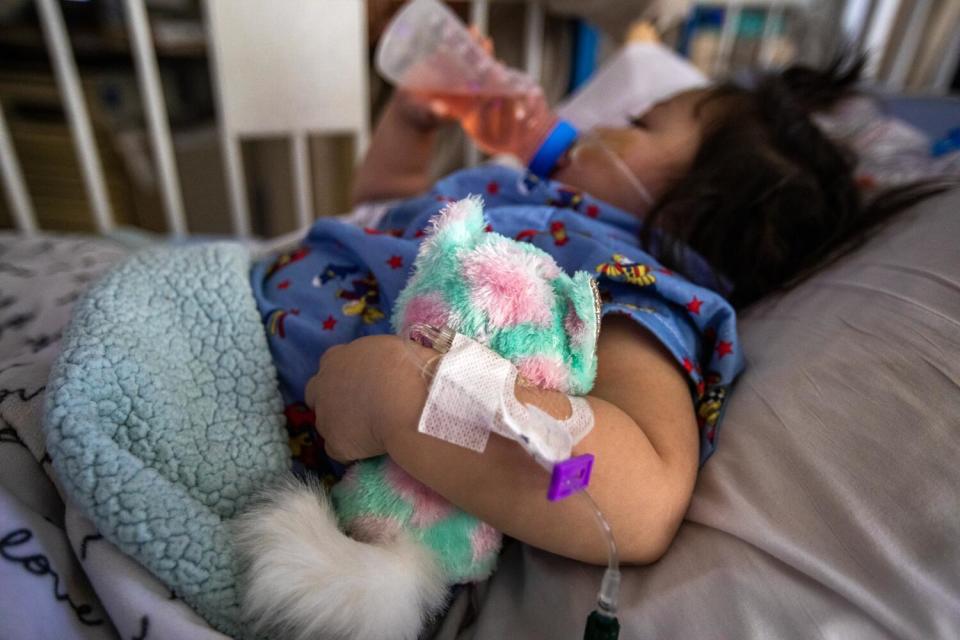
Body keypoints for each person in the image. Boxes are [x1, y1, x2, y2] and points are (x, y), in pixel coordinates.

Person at [250, 51, 937, 566]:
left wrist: (401, 393)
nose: (605, 122)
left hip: (262, 404)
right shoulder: (517, 202)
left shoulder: (629, 282)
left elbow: (639, 497)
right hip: (239, 299)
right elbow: (376, 216)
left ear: (695, 203)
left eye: (640, 123)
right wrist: (408, 124)